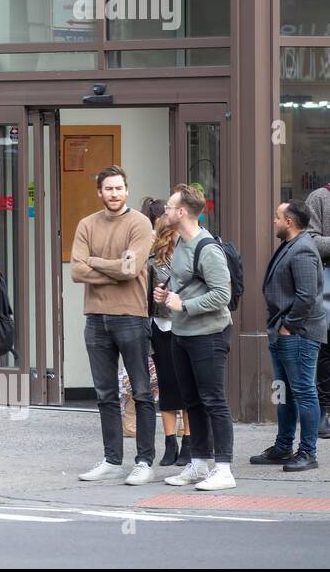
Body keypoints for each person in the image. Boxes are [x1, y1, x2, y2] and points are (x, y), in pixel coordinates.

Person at [71, 165, 157, 486]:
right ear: (99, 192)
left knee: (142, 391)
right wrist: (114, 267)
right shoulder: (86, 225)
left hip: (131, 317)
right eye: (108, 189)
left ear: (127, 190)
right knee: (105, 393)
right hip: (95, 319)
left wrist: (94, 261)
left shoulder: (140, 223)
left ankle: (145, 461)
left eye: (119, 188)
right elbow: (76, 272)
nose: (114, 194)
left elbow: (132, 267)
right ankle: (111, 459)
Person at [158, 183, 236, 491]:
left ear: (182, 212)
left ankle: (224, 468)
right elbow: (188, 285)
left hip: (209, 335)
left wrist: (184, 305)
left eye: (168, 207)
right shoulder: (180, 243)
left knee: (214, 400)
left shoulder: (208, 249)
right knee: (192, 401)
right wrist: (167, 294)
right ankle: (200, 463)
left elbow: (222, 295)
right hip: (182, 333)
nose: (165, 211)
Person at [253, 200, 325, 472]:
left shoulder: (303, 249)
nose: (274, 221)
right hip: (282, 333)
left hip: (298, 334)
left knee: (304, 391)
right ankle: (283, 447)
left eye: (277, 217)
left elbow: (307, 297)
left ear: (290, 222)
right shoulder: (290, 246)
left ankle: (307, 451)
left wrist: (288, 326)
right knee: (282, 392)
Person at [147, 212, 192, 466]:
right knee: (166, 385)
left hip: (185, 326)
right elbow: (146, 302)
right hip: (161, 327)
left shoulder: (191, 257)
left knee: (186, 385)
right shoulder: (152, 262)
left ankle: (189, 440)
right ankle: (169, 442)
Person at [301, 183, 330, 439]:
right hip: (327, 283)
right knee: (327, 350)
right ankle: (325, 411)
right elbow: (310, 240)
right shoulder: (320, 197)